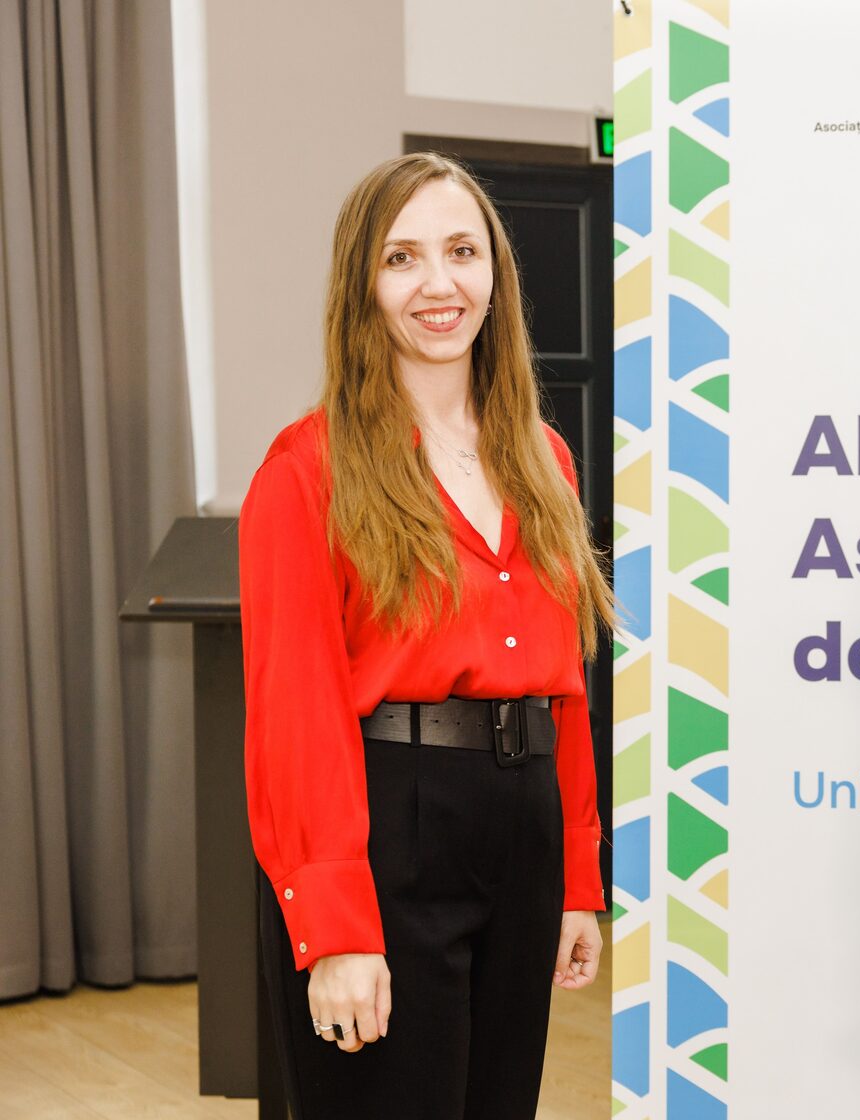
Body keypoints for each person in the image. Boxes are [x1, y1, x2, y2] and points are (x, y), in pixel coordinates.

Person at [238, 151, 616, 1118]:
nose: (438, 284)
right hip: (388, 830)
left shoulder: (546, 460)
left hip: (524, 829)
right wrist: (334, 930)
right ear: (362, 284)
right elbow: (294, 715)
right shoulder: (306, 470)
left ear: (497, 274)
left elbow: (564, 688)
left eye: (462, 251)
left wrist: (576, 876)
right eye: (401, 258)